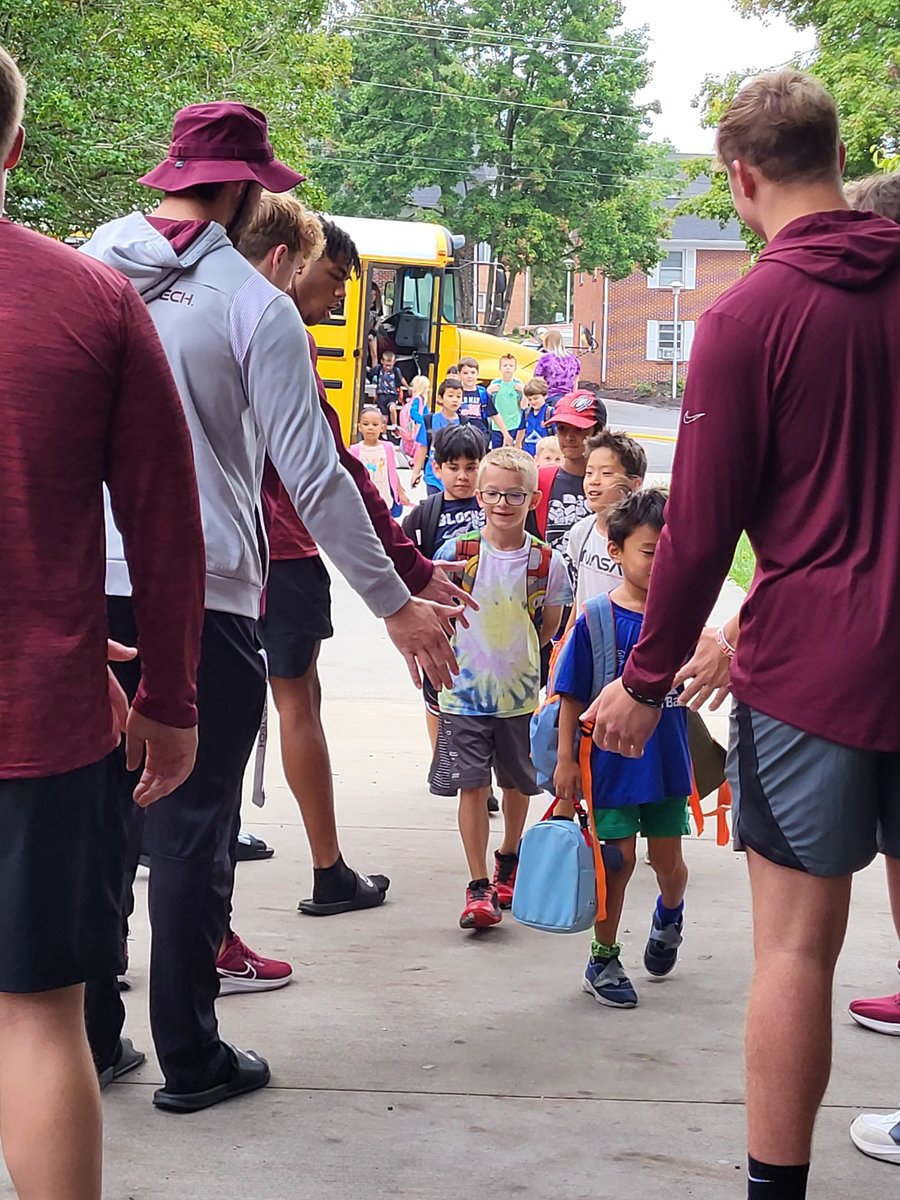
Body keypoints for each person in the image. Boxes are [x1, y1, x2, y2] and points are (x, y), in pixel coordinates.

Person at [82, 102, 462, 1114]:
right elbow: (315, 474)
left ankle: (91, 1040)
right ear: (250, 191)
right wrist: (393, 599)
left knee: (97, 821)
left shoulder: (85, 267)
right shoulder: (255, 306)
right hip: (204, 593)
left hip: (87, 592)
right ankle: (191, 1056)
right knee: (192, 824)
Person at [587, 72, 900, 1199]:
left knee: (796, 949)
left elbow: (701, 530)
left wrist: (643, 678)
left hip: (814, 670)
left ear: (741, 177)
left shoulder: (744, 318)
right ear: (839, 154)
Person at [0, 43, 205, 1198]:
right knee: (40, 1017)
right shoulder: (90, 299)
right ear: (15, 149)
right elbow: (166, 523)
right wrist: (170, 696)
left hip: (53, 702)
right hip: (39, 726)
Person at [241, 206, 468, 919]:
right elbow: (329, 470)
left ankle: (180, 854)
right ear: (288, 260)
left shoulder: (199, 311)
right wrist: (405, 577)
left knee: (213, 705)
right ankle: (327, 869)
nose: (342, 296)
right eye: (336, 276)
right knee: (296, 703)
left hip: (213, 554)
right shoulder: (281, 335)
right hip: (281, 552)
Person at [553, 490, 691, 1008]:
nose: (659, 564)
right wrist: (566, 761)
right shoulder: (596, 619)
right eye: (649, 552)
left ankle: (670, 914)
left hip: (665, 761)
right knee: (617, 860)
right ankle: (603, 957)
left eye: (670, 553)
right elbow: (570, 695)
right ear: (615, 551)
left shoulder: (682, 619)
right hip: (609, 764)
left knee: (667, 860)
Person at [429, 447, 572, 929]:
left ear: (533, 499)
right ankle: (477, 885)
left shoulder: (546, 562)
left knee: (516, 782)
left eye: (514, 494)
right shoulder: (456, 554)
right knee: (471, 785)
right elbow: (438, 614)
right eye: (492, 493)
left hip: (518, 696)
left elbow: (548, 626)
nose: (502, 503)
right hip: (461, 694)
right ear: (479, 496)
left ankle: (508, 856)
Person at [403, 424, 487, 754]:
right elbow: (404, 569)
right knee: (437, 693)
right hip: (441, 628)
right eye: (454, 467)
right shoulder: (423, 516)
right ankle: (442, 761)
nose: (463, 476)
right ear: (437, 469)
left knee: (485, 703)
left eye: (471, 467)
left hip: (488, 626)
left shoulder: (496, 508)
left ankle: (479, 768)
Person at [566, 431, 647, 611]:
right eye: (589, 473)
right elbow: (581, 594)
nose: (594, 481)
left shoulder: (643, 541)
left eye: (606, 473)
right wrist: (571, 628)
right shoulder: (582, 531)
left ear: (635, 484)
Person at [530, 390, 608, 561]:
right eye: (562, 428)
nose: (569, 437)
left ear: (599, 432)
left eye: (579, 429)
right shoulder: (539, 480)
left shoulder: (613, 485)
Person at [350, 405, 411, 516]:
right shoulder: (354, 450)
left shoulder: (388, 448)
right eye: (366, 424)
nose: (370, 428)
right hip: (363, 500)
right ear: (359, 427)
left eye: (375, 424)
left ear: (382, 428)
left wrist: (400, 493)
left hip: (384, 498)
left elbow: (392, 473)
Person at [411, 377, 464, 494]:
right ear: (440, 398)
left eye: (458, 396)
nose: (455, 400)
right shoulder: (429, 420)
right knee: (434, 503)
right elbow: (423, 448)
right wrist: (416, 472)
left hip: (455, 478)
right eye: (450, 396)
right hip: (433, 477)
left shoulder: (464, 423)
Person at [457, 355, 512, 444]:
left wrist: (505, 433)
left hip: (479, 435)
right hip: (460, 435)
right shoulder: (456, 392)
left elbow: (494, 414)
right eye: (465, 373)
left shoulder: (482, 393)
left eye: (473, 372)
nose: (469, 376)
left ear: (477, 373)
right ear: (459, 374)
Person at [533, 328, 580, 405]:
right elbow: (575, 381)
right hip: (569, 399)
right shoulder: (574, 359)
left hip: (550, 398)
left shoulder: (545, 359)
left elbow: (539, 381)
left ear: (546, 342)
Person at [486, 353, 523, 448]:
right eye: (505, 365)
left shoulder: (518, 384)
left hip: (514, 425)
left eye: (511, 365)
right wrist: (488, 391)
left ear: (515, 368)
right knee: (497, 451)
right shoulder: (495, 384)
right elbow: (488, 404)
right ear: (500, 368)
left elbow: (523, 406)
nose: (508, 368)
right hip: (497, 426)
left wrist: (524, 392)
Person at [369, 348, 405, 431]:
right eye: (386, 365)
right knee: (384, 419)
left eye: (390, 365)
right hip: (381, 395)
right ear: (382, 361)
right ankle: (384, 434)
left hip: (392, 394)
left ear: (394, 362)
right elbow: (370, 372)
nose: (388, 367)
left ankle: (394, 425)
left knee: (392, 408)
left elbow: (401, 379)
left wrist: (407, 387)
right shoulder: (378, 369)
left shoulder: (396, 370)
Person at [399, 373, 431, 462]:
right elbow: (413, 412)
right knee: (418, 444)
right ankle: (415, 460)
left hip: (414, 426)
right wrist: (422, 421)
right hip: (417, 427)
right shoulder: (419, 399)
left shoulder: (417, 398)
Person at [518, 376, 552, 455]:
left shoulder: (549, 412)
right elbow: (521, 429)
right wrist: (517, 445)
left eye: (536, 398)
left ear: (545, 396)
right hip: (528, 451)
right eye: (530, 399)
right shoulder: (526, 412)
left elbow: (556, 434)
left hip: (544, 452)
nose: (533, 402)